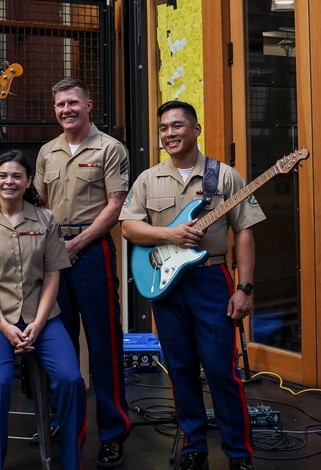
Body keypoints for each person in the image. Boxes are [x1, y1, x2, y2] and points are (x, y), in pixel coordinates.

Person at [120, 100, 264, 470]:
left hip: (211, 279)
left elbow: (244, 232)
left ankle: (238, 453)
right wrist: (168, 233)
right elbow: (129, 226)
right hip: (165, 284)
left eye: (177, 126)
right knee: (181, 368)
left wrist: (244, 288)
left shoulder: (224, 176)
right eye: (164, 128)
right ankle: (193, 446)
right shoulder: (148, 179)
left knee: (220, 369)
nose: (170, 133)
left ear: (196, 130)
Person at [0, 150, 86, 470]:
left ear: (29, 181)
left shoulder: (46, 219)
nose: (10, 181)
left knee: (72, 379)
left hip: (42, 318)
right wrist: (5, 326)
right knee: (0, 383)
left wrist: (38, 323)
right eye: (3, 175)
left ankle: (72, 461)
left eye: (17, 176)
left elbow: (52, 275)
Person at [34, 77, 132, 467]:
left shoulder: (110, 148)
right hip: (52, 253)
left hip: (92, 253)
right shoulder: (46, 152)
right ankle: (66, 420)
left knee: (104, 344)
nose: (66, 110)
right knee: (60, 344)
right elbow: (38, 203)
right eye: (60, 105)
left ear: (89, 105)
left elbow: (115, 205)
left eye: (73, 103)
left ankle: (113, 431)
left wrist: (77, 243)